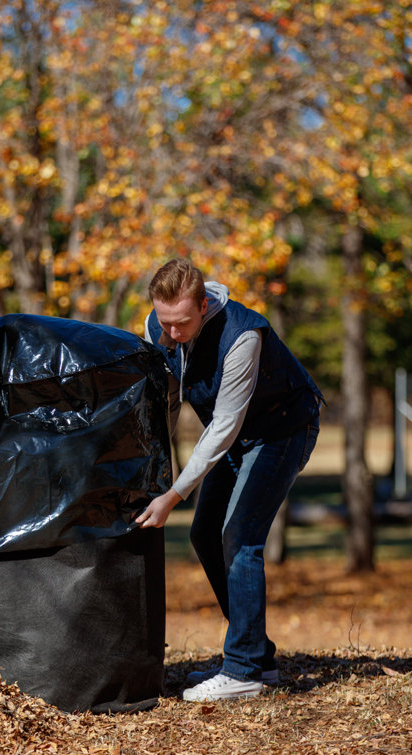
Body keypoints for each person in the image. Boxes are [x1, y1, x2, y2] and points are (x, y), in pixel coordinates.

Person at [136, 259, 322, 702]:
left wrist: (176, 493)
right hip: (237, 435)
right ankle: (259, 658)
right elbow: (169, 399)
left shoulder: (243, 335)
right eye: (166, 323)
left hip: (280, 431)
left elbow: (224, 425)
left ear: (204, 305)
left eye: (183, 323)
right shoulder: (159, 326)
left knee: (239, 536)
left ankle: (242, 671)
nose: (174, 333)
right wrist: (156, 467)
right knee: (205, 534)